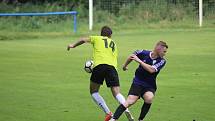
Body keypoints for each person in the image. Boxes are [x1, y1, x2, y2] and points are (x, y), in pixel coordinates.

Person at [67, 26, 134, 121]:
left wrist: (73, 45)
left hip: (99, 66)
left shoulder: (97, 38)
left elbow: (83, 39)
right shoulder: (114, 43)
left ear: (101, 34)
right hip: (112, 68)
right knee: (116, 93)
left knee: (94, 91)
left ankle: (108, 113)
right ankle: (125, 108)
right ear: (110, 35)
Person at [109, 41, 168, 121]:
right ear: (158, 48)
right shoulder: (143, 52)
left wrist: (139, 61)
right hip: (138, 82)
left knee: (149, 98)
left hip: (150, 85)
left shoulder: (162, 61)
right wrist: (125, 65)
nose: (165, 53)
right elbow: (132, 56)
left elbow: (151, 70)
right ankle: (113, 119)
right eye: (164, 51)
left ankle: (140, 119)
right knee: (129, 101)